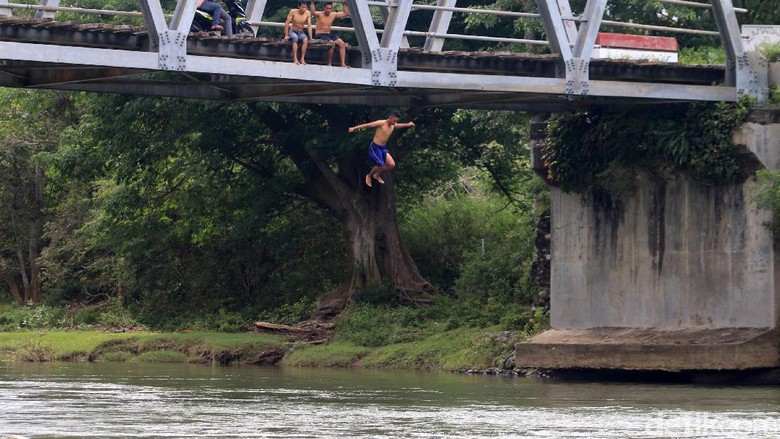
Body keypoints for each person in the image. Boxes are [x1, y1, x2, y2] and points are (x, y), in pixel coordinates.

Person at [348, 111, 415, 187]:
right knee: (380, 164)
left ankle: (377, 174)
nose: (395, 123)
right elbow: (368, 125)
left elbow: (398, 125)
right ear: (390, 117)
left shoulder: (393, 125)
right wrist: (354, 128)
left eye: (396, 121)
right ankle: (369, 176)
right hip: (375, 147)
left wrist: (408, 124)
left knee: (392, 165)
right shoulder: (381, 123)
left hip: (383, 148)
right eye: (394, 121)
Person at [309, 1, 350, 67]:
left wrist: (344, 2)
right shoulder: (319, 14)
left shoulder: (333, 15)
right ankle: (329, 63)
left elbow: (346, 13)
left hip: (328, 34)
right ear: (324, 8)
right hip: (320, 35)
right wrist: (312, 2)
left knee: (342, 43)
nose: (329, 10)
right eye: (327, 8)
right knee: (332, 43)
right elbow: (312, 12)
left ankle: (343, 63)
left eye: (330, 9)